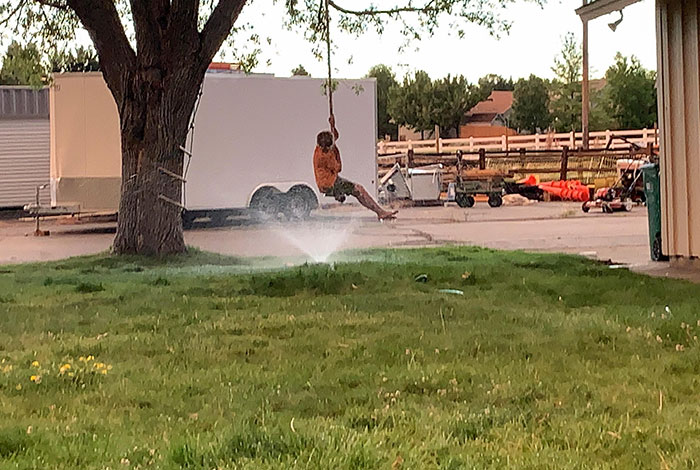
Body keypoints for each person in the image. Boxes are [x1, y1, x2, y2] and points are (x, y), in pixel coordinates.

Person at [313, 115, 397, 220]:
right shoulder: (326, 156)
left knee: (352, 189)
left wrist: (333, 125)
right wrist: (336, 153)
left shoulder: (318, 149)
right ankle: (380, 212)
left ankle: (339, 194)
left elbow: (335, 136)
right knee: (358, 190)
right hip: (331, 183)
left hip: (326, 183)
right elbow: (338, 168)